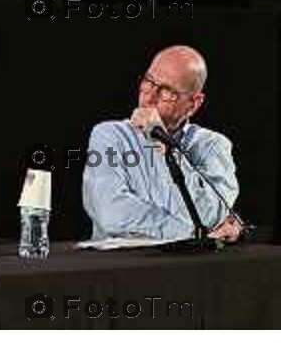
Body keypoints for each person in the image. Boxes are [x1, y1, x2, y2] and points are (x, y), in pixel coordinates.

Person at [82, 45, 243, 243]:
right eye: (149, 81)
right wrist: (194, 235)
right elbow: (111, 213)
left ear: (193, 103)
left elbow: (207, 215)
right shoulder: (109, 136)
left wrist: (164, 145)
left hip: (191, 265)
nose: (149, 97)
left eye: (167, 91)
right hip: (122, 264)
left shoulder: (213, 146)